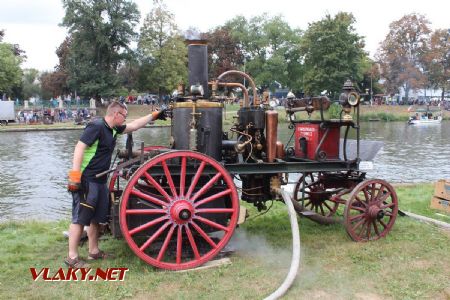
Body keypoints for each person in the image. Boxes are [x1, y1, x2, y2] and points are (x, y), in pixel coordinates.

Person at [65, 101, 167, 268]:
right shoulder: (96, 126)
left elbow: (134, 126)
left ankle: (94, 251)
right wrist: (75, 176)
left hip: (99, 180)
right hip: (86, 179)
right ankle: (72, 257)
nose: (125, 119)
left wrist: (153, 116)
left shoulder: (113, 128)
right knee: (80, 218)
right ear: (115, 114)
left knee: (96, 218)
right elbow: (79, 148)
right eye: (124, 116)